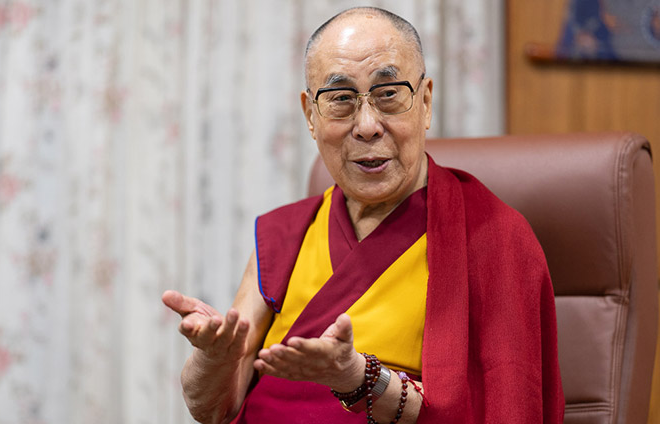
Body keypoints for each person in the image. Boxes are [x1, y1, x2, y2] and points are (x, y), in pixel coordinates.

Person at [162, 7, 564, 424]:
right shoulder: (286, 236)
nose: (368, 125)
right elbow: (211, 410)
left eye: (389, 94)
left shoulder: (494, 238)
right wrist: (213, 360)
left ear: (425, 102)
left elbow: (503, 410)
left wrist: (359, 378)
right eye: (341, 100)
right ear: (310, 117)